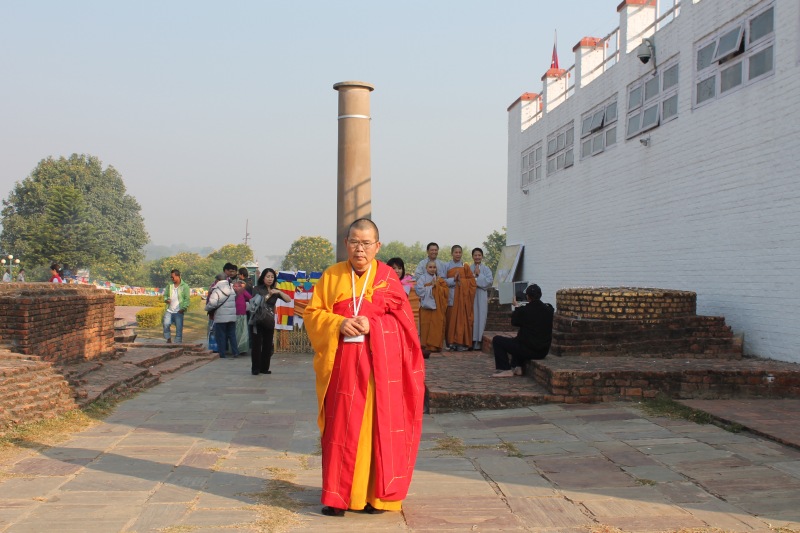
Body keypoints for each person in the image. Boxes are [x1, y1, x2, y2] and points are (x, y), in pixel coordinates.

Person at [305, 218, 425, 517]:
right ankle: (337, 497)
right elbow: (312, 314)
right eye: (355, 242)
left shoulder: (387, 278)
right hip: (343, 368)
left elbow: (404, 324)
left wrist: (375, 325)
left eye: (366, 243)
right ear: (346, 243)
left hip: (379, 370)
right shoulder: (332, 276)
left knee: (378, 429)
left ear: (377, 246)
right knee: (341, 429)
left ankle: (377, 496)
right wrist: (338, 323)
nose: (360, 249)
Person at [491, 284, 554, 378]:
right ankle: (517, 366)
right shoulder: (549, 310)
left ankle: (505, 369)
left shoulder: (525, 310)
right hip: (542, 351)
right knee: (521, 338)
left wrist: (516, 307)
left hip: (529, 350)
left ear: (527, 296)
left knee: (497, 340)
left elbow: (515, 322)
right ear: (540, 295)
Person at [248, 268, 290, 375]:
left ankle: (264, 368)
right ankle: (255, 368)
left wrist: (279, 292)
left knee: (267, 345)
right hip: (257, 320)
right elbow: (257, 302)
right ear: (263, 278)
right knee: (256, 345)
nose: (270, 279)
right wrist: (269, 294)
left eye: (272, 277)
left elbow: (288, 299)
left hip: (269, 320)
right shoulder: (257, 288)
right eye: (268, 277)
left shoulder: (275, 290)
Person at [444, 245, 476, 351]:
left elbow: (472, 282)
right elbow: (442, 281)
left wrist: (461, 281)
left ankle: (461, 342)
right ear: (452, 253)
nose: (458, 254)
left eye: (459, 252)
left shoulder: (465, 266)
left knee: (462, 320)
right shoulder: (446, 266)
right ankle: (450, 342)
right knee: (451, 320)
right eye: (456, 252)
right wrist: (454, 280)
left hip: (463, 297)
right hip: (451, 295)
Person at [415, 259, 449, 357]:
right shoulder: (422, 278)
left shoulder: (439, 279)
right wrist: (431, 287)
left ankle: (434, 346)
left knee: (436, 325)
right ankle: (425, 345)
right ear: (426, 268)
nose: (432, 269)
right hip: (426, 307)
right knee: (425, 325)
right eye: (430, 267)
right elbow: (419, 291)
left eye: (434, 267)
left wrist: (437, 286)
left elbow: (446, 291)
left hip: (437, 308)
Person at [205, 274, 239, 359]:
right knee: (232, 335)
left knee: (221, 336)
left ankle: (222, 353)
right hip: (231, 316)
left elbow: (213, 303)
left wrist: (206, 308)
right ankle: (235, 352)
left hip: (221, 316)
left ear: (218, 280)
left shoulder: (216, 289)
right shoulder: (231, 288)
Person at [470, 248, 494, 350]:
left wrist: (479, 274)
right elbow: (466, 282)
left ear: (482, 256)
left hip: (481, 295)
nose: (477, 257)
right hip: (471, 296)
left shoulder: (486, 269)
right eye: (475, 255)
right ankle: (470, 341)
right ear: (472, 256)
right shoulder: (468, 268)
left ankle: (478, 342)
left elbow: (489, 282)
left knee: (481, 316)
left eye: (479, 255)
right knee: (472, 317)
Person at [163, 269, 190, 344]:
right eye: (171, 277)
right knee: (166, 324)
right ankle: (168, 339)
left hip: (179, 311)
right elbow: (165, 295)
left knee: (179, 328)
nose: (172, 278)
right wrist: (166, 300)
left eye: (173, 277)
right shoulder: (170, 285)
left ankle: (178, 343)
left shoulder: (185, 286)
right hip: (169, 310)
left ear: (178, 276)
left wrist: (183, 308)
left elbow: (187, 299)